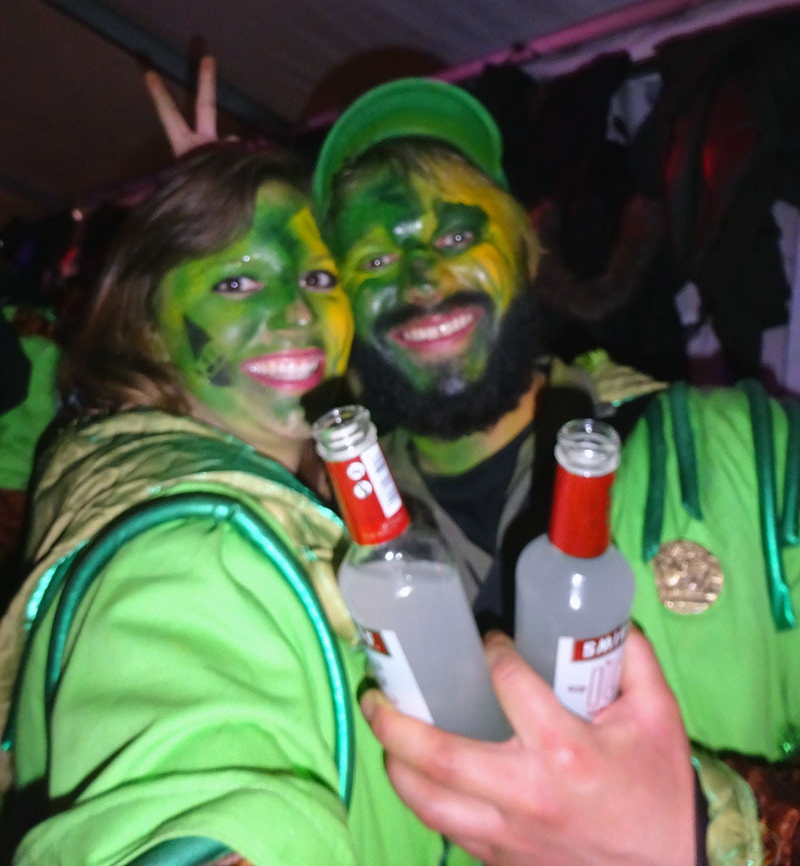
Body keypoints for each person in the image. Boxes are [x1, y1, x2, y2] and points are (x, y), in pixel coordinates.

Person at [146, 62, 799, 863]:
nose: (422, 281)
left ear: (525, 244)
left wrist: (700, 838)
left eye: (456, 236)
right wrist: (224, 244)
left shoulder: (747, 461)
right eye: (372, 263)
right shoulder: (315, 542)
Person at [0, 144, 478, 865]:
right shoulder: (188, 552)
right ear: (147, 327)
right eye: (236, 282)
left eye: (318, 278)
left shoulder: (325, 506)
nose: (296, 310)